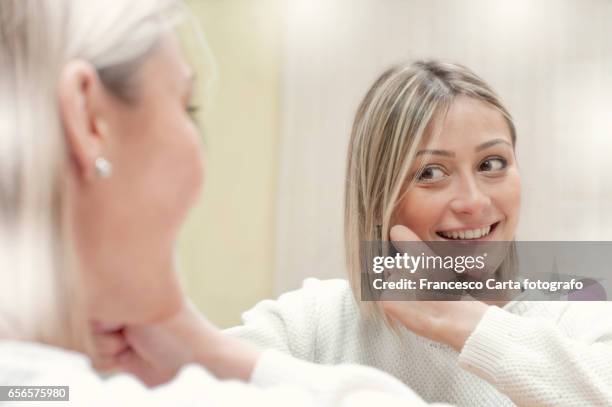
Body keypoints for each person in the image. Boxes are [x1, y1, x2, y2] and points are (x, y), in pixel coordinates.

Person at [0, 0, 452, 405]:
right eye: (186, 106)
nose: (470, 201)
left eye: (494, 163)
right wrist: (204, 350)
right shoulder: (316, 313)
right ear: (88, 119)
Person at [217, 61, 612, 406]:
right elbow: (188, 383)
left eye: (492, 163)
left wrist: (458, 318)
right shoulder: (317, 322)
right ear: (380, 196)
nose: (473, 202)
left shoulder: (578, 312)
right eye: (430, 173)